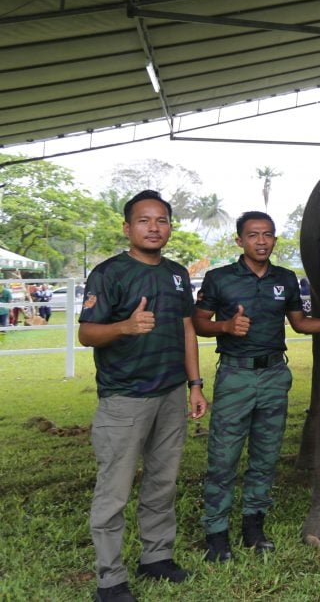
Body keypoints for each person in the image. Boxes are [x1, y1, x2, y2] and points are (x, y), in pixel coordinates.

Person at [192, 211, 320, 561]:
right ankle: (217, 535)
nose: (261, 241)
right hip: (235, 376)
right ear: (240, 241)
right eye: (253, 235)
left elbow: (299, 323)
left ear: (275, 240)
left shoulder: (285, 278)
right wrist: (225, 327)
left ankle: (254, 526)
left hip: (274, 376)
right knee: (224, 458)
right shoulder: (219, 278)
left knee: (265, 457)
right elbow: (199, 323)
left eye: (267, 235)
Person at [78, 190, 209, 602]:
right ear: (127, 227)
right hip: (124, 399)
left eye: (162, 220)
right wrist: (125, 327)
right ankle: (110, 579)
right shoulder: (109, 273)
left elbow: (188, 329)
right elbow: (86, 334)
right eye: (144, 220)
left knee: (161, 483)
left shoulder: (175, 273)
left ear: (170, 227)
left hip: (171, 393)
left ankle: (156, 557)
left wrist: (195, 385)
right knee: (114, 491)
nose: (154, 228)